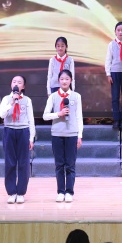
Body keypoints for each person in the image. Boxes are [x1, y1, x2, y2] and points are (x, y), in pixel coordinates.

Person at [43, 69, 83, 202]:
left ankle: (69, 192)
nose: (64, 81)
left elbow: (79, 117)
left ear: (71, 80)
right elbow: (45, 115)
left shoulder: (76, 96)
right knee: (59, 164)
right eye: (62, 79)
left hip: (72, 134)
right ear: (58, 81)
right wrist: (58, 114)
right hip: (57, 134)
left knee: (70, 165)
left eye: (67, 79)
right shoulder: (53, 97)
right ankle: (60, 191)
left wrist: (79, 135)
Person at [0, 75, 36, 204]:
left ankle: (21, 192)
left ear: (23, 86)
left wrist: (31, 138)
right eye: (14, 81)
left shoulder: (27, 100)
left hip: (23, 131)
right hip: (9, 131)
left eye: (19, 82)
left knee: (23, 163)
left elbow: (31, 119)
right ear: (11, 85)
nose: (16, 84)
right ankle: (11, 192)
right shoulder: (6, 99)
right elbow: (2, 114)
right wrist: (11, 102)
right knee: (10, 162)